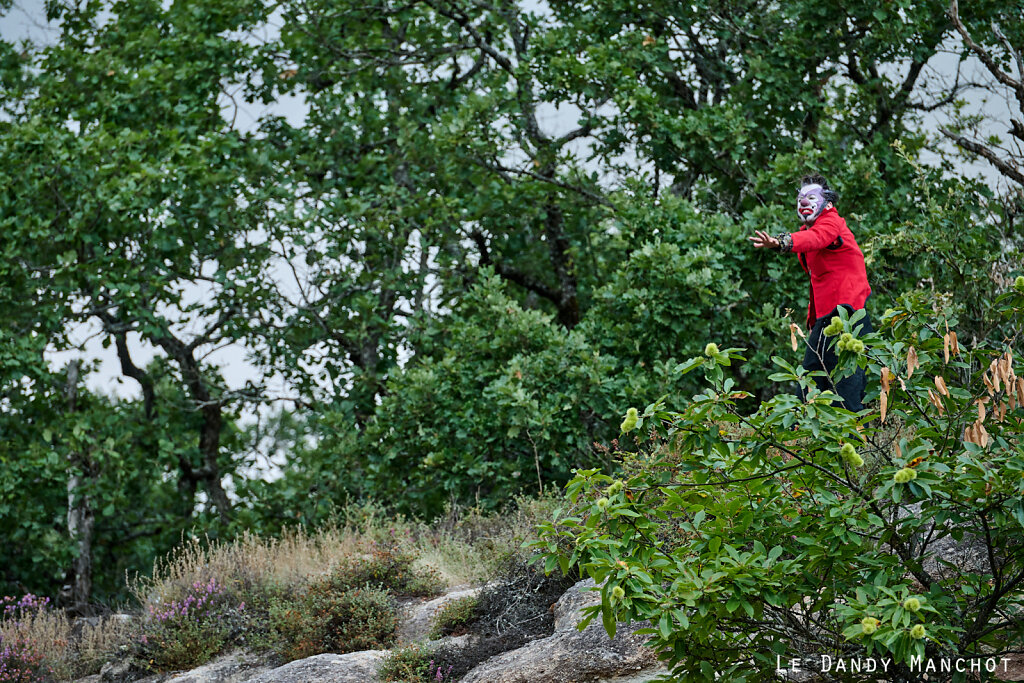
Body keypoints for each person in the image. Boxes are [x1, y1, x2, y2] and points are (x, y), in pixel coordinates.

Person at [748, 174, 872, 411]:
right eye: (800, 198)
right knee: (814, 376)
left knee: (845, 378)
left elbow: (817, 237)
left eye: (811, 197)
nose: (803, 202)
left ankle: (855, 433)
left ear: (827, 202)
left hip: (847, 312)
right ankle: (805, 432)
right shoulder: (808, 230)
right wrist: (813, 319)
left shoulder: (831, 222)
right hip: (828, 317)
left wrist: (781, 242)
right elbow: (818, 279)